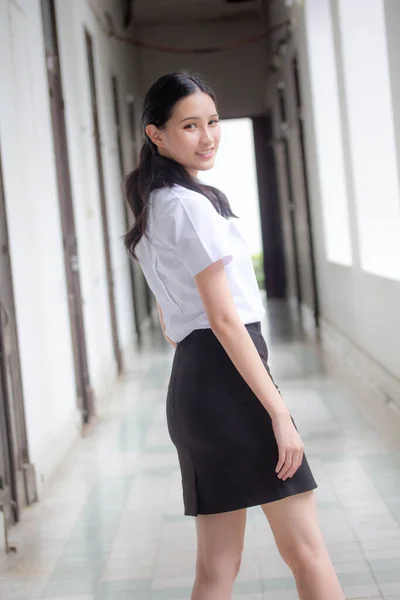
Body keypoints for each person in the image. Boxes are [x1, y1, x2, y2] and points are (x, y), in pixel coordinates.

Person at [124, 72, 344, 600]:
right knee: (308, 553)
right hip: (231, 384)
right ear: (157, 134)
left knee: (217, 567)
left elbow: (172, 323)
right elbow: (225, 321)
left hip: (195, 387)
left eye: (213, 122)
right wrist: (278, 413)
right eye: (190, 126)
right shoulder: (190, 206)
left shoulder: (156, 205)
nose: (207, 137)